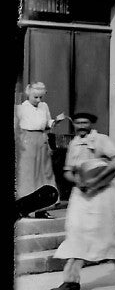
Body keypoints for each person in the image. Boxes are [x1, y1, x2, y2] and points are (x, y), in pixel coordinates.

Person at [49, 111, 115, 290]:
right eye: (78, 123)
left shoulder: (101, 139)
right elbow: (68, 171)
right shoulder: (74, 143)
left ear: (91, 124)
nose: (81, 126)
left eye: (85, 122)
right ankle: (71, 282)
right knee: (76, 234)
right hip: (81, 194)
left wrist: (98, 179)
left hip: (103, 195)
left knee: (107, 236)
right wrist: (79, 181)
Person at [16, 82, 65, 215]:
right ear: (29, 94)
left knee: (45, 174)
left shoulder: (44, 106)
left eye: (40, 97)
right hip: (27, 142)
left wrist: (56, 121)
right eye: (35, 97)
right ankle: (25, 207)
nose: (38, 100)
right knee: (30, 174)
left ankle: (42, 208)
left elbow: (48, 124)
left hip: (42, 141)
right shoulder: (21, 108)